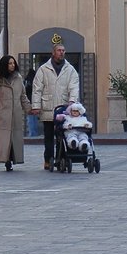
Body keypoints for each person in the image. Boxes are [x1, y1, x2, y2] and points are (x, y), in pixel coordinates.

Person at [30, 42, 80, 171]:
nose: (61, 52)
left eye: (63, 50)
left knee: (61, 136)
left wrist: (72, 101)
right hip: (48, 107)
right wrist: (36, 105)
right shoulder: (43, 69)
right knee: (48, 137)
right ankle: (48, 159)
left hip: (63, 109)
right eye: (59, 50)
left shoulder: (70, 70)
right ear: (53, 52)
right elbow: (37, 89)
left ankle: (61, 158)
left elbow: (74, 86)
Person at [0, 55, 30, 171]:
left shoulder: (18, 78)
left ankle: (13, 159)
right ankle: (6, 160)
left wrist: (29, 109)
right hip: (3, 115)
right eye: (10, 63)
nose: (12, 65)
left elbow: (23, 96)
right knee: (5, 139)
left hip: (15, 113)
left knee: (14, 139)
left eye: (13, 63)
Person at [23, 67, 40, 138]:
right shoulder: (36, 81)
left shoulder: (26, 81)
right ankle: (35, 132)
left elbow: (24, 92)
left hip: (29, 101)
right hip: (35, 101)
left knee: (30, 118)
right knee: (35, 118)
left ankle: (31, 133)